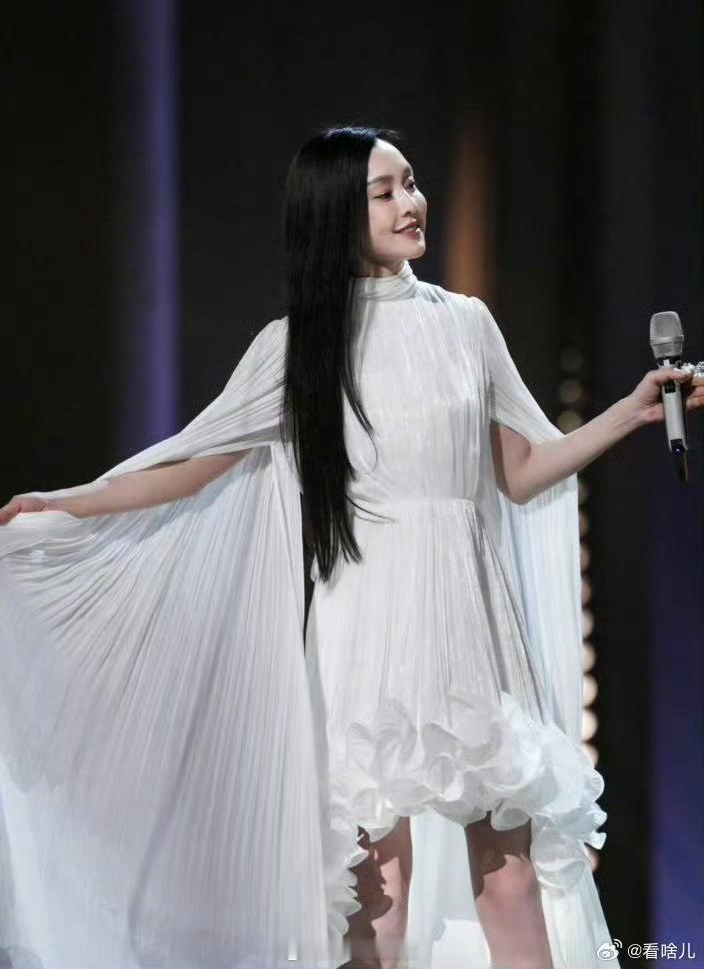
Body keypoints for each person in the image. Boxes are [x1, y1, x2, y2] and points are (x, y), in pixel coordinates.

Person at [1, 125, 702, 969]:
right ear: (337, 213)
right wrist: (68, 503)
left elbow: (520, 472)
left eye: (413, 183)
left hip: (469, 625)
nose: (412, 203)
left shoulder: (466, 324)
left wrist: (630, 412)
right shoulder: (299, 344)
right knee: (378, 900)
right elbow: (192, 464)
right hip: (364, 628)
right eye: (385, 191)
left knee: (511, 879)